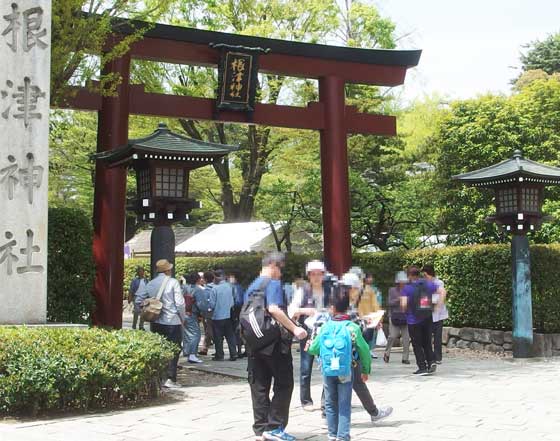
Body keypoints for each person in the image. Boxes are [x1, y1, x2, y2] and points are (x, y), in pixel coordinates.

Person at [244, 251, 308, 441]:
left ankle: (260, 429)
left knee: (259, 385)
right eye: (280, 270)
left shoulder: (252, 286)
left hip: (254, 343)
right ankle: (274, 428)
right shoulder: (272, 283)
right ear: (273, 265)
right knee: (284, 383)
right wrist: (295, 329)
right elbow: (273, 309)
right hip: (274, 344)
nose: (280, 274)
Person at [307, 283, 371, 441]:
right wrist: (365, 370)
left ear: (332, 308)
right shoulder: (352, 328)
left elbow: (314, 349)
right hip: (346, 370)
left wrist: (309, 347)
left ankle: (331, 434)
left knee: (330, 403)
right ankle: (343, 436)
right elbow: (364, 350)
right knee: (344, 403)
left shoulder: (325, 327)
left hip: (328, 370)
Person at [340, 272, 393, 423]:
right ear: (352, 288)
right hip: (349, 353)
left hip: (334, 353)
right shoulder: (346, 304)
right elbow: (356, 330)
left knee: (333, 381)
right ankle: (372, 413)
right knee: (354, 382)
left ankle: (329, 415)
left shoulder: (337, 301)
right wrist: (366, 367)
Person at [135, 259, 185, 388]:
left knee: (160, 348)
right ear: (168, 270)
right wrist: (182, 318)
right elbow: (180, 303)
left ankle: (159, 377)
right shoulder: (173, 282)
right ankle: (170, 378)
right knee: (174, 349)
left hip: (156, 320)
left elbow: (138, 299)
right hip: (172, 320)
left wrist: (145, 307)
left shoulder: (150, 283)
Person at [288, 259, 328, 411]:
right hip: (309, 331)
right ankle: (306, 400)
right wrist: (306, 310)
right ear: (309, 276)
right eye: (313, 274)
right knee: (306, 367)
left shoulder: (329, 290)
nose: (317, 277)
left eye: (319, 274)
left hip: (325, 331)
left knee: (327, 365)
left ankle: (327, 400)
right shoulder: (303, 290)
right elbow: (292, 310)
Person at [400, 265, 443, 375]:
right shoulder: (428, 283)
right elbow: (442, 291)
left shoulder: (406, 288)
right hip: (427, 317)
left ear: (409, 275)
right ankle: (432, 361)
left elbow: (404, 304)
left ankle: (422, 367)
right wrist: (438, 306)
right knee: (427, 342)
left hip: (413, 320)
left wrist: (405, 311)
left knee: (417, 344)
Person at [422, 264, 448, 365]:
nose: (424, 276)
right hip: (427, 313)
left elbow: (440, 296)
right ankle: (429, 356)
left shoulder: (439, 282)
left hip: (438, 313)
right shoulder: (424, 283)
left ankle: (438, 357)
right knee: (427, 336)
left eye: (425, 274)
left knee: (437, 337)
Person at [383, 271, 411, 364]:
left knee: (406, 338)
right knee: (392, 336)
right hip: (394, 316)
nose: (403, 283)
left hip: (405, 317)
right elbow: (389, 303)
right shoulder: (392, 290)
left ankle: (405, 358)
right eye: (401, 281)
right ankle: (387, 353)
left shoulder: (408, 290)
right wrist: (398, 299)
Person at [212, 269, 238, 361]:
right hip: (229, 314)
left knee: (218, 337)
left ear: (216, 277)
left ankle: (219, 355)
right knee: (230, 335)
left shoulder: (214, 289)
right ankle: (233, 353)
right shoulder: (230, 286)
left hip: (217, 315)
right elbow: (234, 299)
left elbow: (212, 304)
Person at [183, 271, 204, 364]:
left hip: (184, 313)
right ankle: (192, 354)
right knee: (196, 334)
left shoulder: (185, 288)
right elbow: (201, 304)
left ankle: (187, 351)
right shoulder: (198, 290)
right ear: (198, 280)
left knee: (187, 334)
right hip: (192, 314)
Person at [228, 270, 246, 358]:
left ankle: (238, 351)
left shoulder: (235, 287)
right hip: (240, 311)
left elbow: (238, 301)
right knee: (239, 331)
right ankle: (240, 350)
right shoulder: (240, 287)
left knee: (236, 331)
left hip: (235, 311)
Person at [198, 271, 216, 356]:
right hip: (219, 312)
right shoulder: (217, 287)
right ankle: (205, 347)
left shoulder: (205, 290)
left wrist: (201, 312)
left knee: (209, 330)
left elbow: (203, 303)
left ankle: (206, 348)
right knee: (210, 330)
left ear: (205, 279)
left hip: (208, 312)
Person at [128, 266, 147, 330]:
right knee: (136, 312)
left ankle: (141, 326)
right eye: (139, 271)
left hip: (144, 299)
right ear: (137, 273)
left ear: (143, 272)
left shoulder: (146, 280)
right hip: (136, 298)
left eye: (142, 271)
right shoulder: (134, 280)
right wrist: (130, 298)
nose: (141, 273)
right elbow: (131, 290)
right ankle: (134, 325)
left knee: (143, 313)